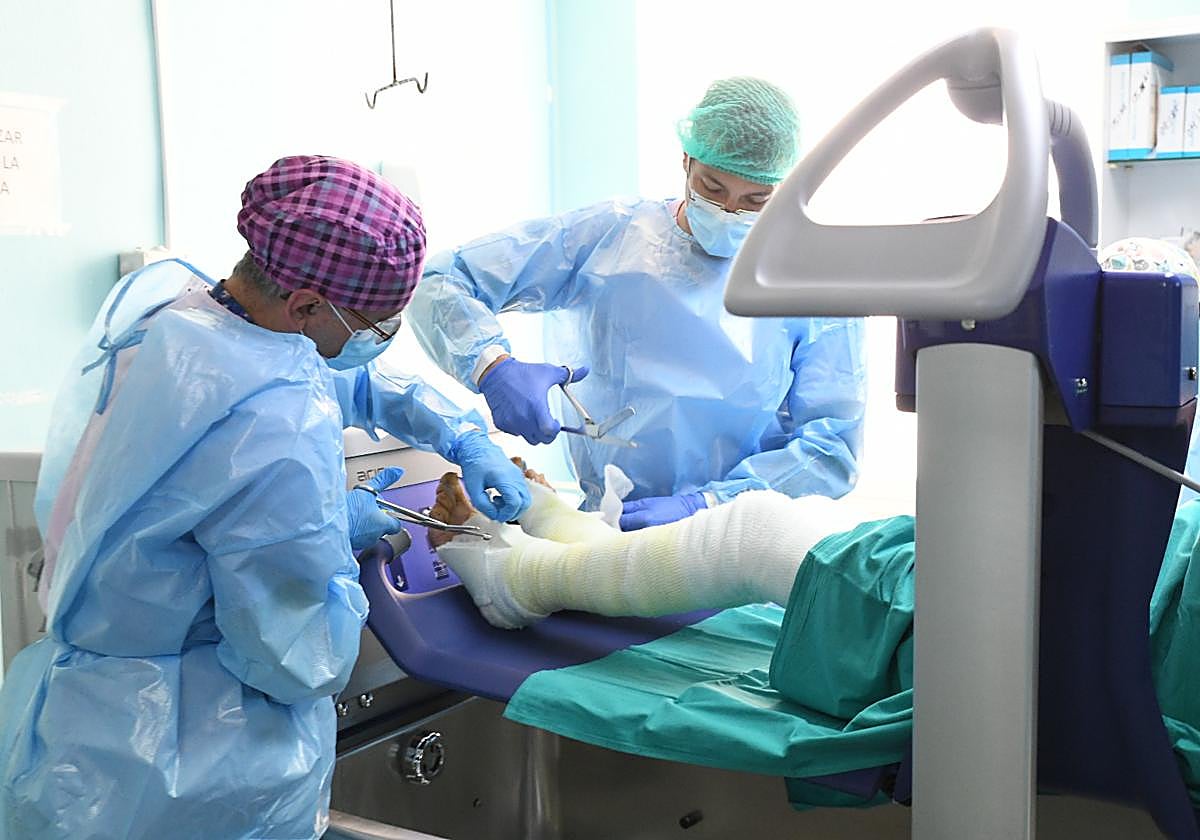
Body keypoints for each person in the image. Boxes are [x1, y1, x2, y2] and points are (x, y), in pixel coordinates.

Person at [0, 155, 530, 840]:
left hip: (83, 728)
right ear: (307, 304)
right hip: (182, 759)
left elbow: (348, 380)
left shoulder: (188, 322)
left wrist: (461, 435)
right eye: (376, 327)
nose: (379, 343)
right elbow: (294, 657)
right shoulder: (271, 430)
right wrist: (333, 540)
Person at [424, 464, 1200, 804]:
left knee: (757, 536)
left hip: (1132, 641)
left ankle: (521, 581)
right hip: (1151, 574)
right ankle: (567, 543)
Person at [409, 77, 867, 531]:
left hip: (737, 541)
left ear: (783, 189)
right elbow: (444, 279)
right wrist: (492, 366)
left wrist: (708, 505)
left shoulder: (811, 281)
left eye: (755, 200)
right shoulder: (610, 236)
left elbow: (831, 451)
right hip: (610, 529)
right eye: (712, 187)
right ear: (686, 161)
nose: (729, 211)